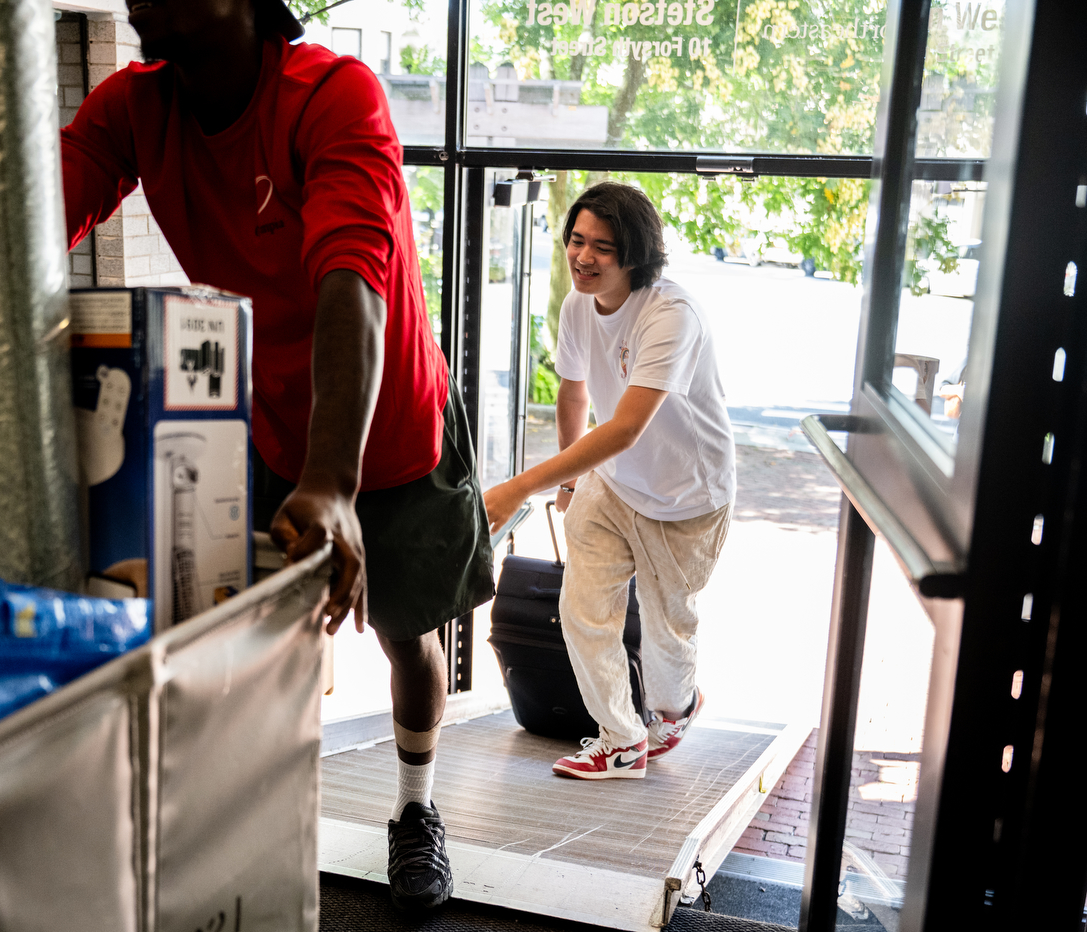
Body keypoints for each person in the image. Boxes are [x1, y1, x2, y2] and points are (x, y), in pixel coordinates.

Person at [60, 0, 494, 911]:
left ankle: (415, 811)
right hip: (263, 421)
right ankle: (246, 826)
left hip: (387, 428)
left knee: (404, 635)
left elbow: (353, 283)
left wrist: (334, 481)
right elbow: (27, 221)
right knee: (249, 641)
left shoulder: (334, 94)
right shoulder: (134, 108)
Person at [483, 182, 734, 780]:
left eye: (602, 247)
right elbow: (573, 389)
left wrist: (521, 486)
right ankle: (621, 739)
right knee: (583, 609)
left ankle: (676, 708)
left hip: (685, 496)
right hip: (613, 485)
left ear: (635, 255)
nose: (583, 257)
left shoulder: (670, 315)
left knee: (666, 630)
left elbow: (624, 428)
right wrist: (569, 477)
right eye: (576, 240)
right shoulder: (576, 306)